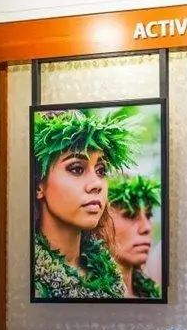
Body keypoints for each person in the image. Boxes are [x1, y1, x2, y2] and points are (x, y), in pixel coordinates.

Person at [31, 107, 140, 299]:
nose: (96, 184)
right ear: (39, 185)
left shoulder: (113, 280)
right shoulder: (23, 276)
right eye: (76, 169)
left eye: (101, 170)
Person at [105, 174, 163, 299]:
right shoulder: (80, 294)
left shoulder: (153, 295)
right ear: (99, 225)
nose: (146, 227)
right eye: (130, 215)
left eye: (148, 215)